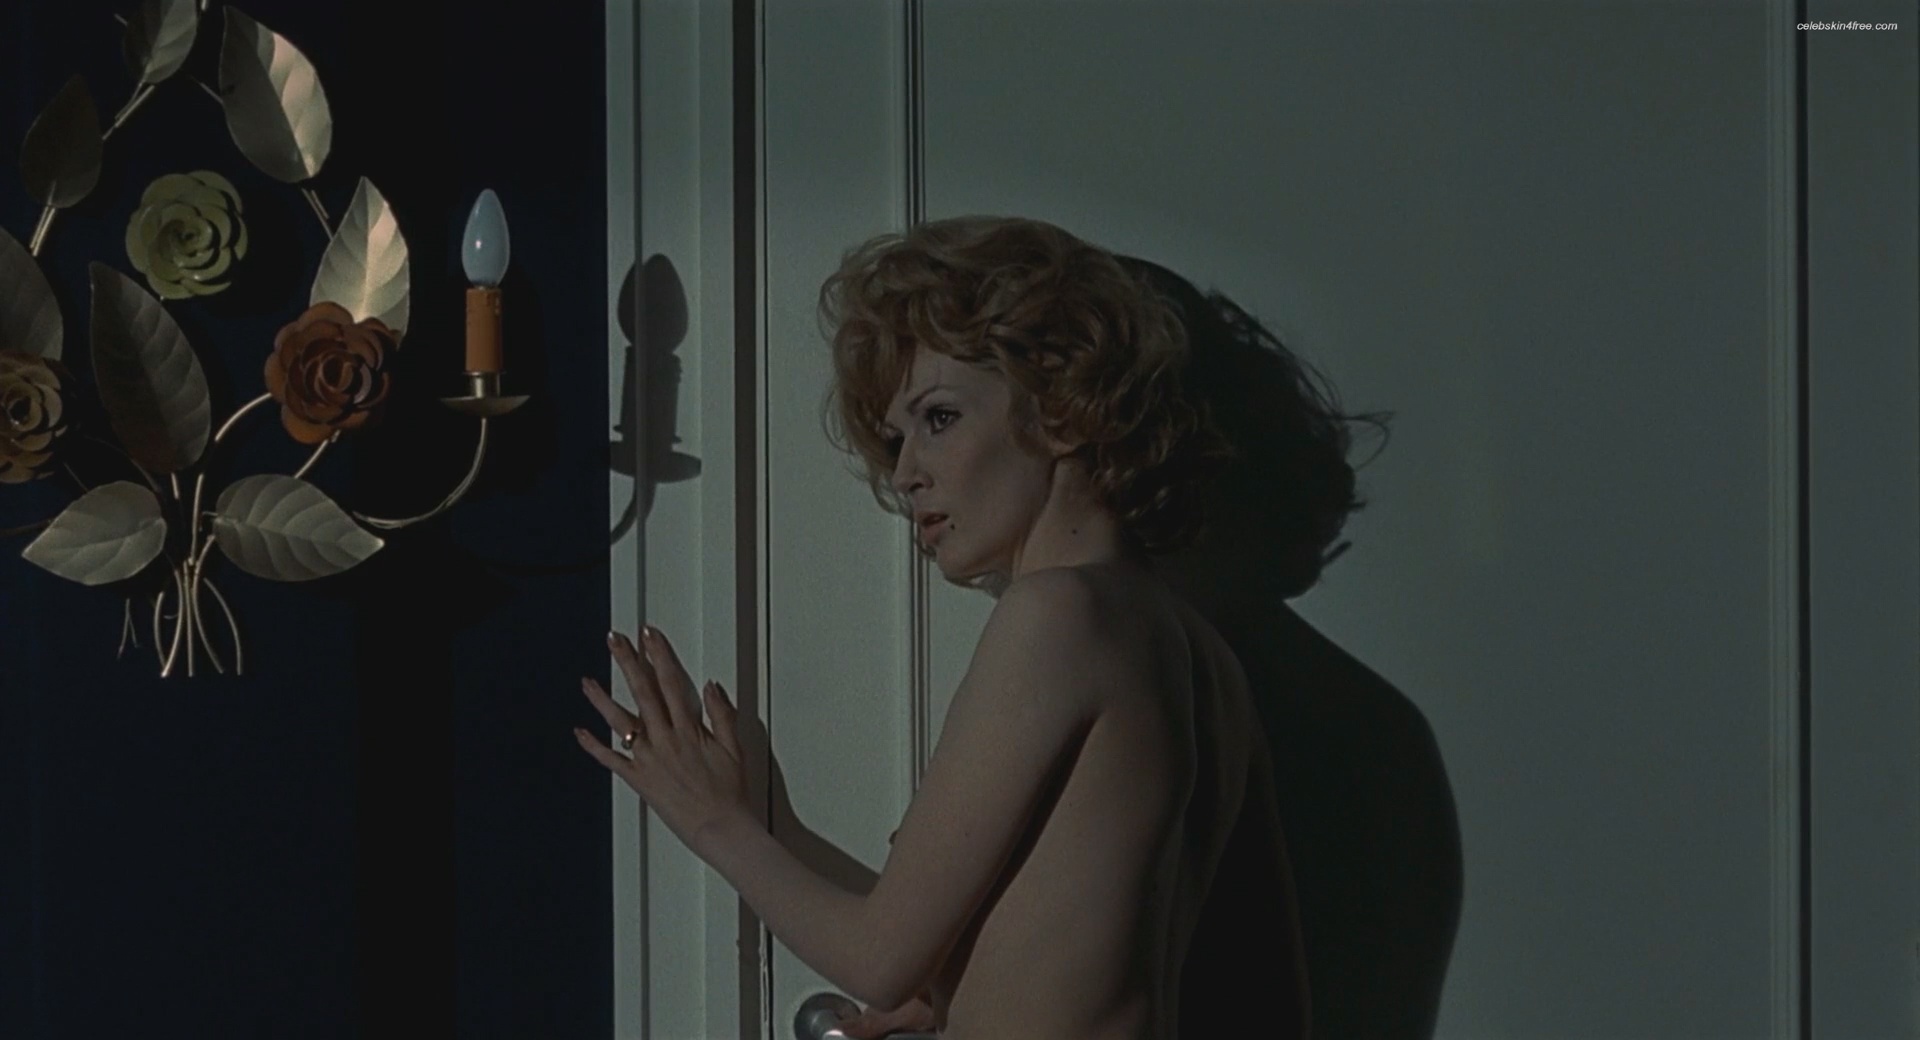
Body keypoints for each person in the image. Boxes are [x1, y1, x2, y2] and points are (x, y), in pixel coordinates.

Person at [573, 216, 1312, 1040]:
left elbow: (880, 958)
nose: (903, 473)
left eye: (939, 418)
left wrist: (712, 820)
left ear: (1066, 410)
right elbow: (1272, 1003)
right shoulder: (1206, 657)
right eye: (897, 438)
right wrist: (774, 824)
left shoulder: (1054, 617)